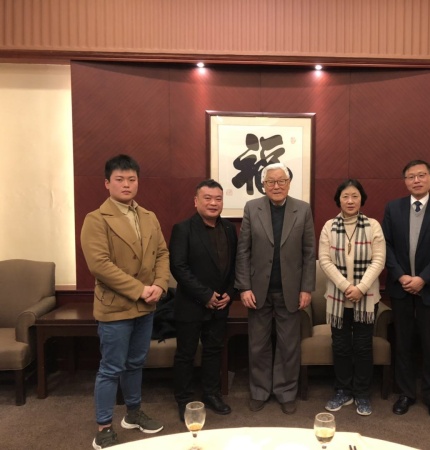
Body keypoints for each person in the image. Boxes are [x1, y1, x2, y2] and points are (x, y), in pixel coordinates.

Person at [81, 154, 170, 449]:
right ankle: (104, 426)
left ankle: (133, 414)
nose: (126, 184)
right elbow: (100, 265)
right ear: (107, 183)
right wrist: (139, 289)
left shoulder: (149, 216)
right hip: (115, 306)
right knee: (111, 368)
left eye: (131, 179)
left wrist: (160, 284)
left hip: (146, 304)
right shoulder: (96, 219)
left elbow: (162, 254)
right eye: (119, 179)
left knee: (136, 363)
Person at [235, 162, 316, 415]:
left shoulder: (303, 209)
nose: (276, 186)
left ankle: (286, 392)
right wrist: (244, 287)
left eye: (281, 181)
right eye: (271, 181)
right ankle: (259, 391)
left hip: (290, 290)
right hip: (258, 290)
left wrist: (306, 288)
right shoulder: (252, 208)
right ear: (263, 185)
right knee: (258, 345)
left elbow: (309, 252)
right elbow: (243, 250)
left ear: (289, 183)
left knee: (288, 345)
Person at [382, 159, 430, 421]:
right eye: (411, 176)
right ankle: (405, 394)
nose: (416, 180)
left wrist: (423, 278)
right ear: (405, 181)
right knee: (403, 343)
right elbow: (385, 246)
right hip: (400, 287)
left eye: (421, 175)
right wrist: (401, 275)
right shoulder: (393, 208)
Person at [169, 179, 237, 420]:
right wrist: (205, 295)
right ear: (196, 201)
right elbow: (178, 267)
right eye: (207, 198)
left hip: (220, 304)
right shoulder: (183, 229)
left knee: (213, 351)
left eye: (218, 198)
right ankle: (184, 400)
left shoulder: (229, 228)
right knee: (186, 354)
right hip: (191, 304)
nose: (213, 203)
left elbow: (234, 265)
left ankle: (211, 394)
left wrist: (230, 292)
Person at [318, 179, 385, 416]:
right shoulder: (328, 226)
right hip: (338, 299)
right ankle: (343, 391)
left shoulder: (373, 226)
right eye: (345, 196)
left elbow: (379, 259)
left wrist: (361, 287)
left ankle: (362, 393)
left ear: (361, 199)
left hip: (367, 298)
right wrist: (347, 286)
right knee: (341, 346)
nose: (350, 201)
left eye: (355, 196)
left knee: (363, 346)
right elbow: (324, 260)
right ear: (338, 199)